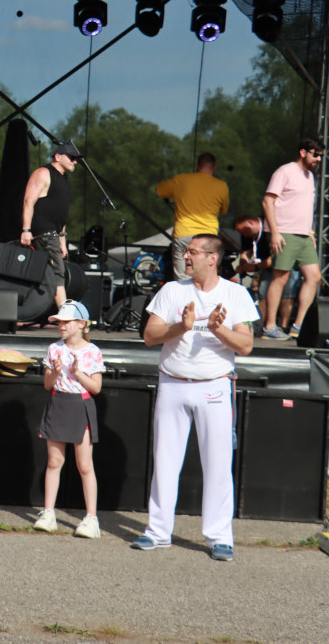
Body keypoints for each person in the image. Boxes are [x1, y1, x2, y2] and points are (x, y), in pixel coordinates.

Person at [133, 234, 258, 561]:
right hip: (172, 383)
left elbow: (245, 345)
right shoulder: (173, 290)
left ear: (212, 258)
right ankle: (157, 531)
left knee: (217, 464)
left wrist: (219, 331)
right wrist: (180, 327)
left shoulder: (235, 293)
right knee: (165, 461)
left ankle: (219, 537)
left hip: (214, 386)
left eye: (192, 253)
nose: (186, 257)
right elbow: (149, 335)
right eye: (187, 252)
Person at [32, 300, 105, 539]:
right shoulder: (55, 348)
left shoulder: (92, 351)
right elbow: (46, 384)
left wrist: (77, 373)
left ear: (81, 324)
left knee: (85, 465)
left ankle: (91, 518)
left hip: (80, 405)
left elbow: (96, 388)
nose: (61, 325)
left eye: (66, 322)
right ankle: (48, 513)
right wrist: (54, 371)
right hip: (58, 403)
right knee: (54, 461)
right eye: (59, 322)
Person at [261, 138, 324, 340]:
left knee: (313, 277)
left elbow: (307, 209)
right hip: (285, 232)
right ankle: (269, 326)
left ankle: (298, 326)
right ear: (303, 152)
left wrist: (311, 233)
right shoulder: (285, 171)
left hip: (304, 235)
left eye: (321, 155)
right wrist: (275, 232)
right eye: (315, 154)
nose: (318, 159)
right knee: (281, 277)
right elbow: (268, 201)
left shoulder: (310, 177)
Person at [20, 141, 84, 310]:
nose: (75, 162)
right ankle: (66, 316)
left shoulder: (63, 179)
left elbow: (61, 214)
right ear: (58, 156)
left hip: (54, 234)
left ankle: (49, 311)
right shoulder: (43, 173)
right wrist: (26, 230)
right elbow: (28, 201)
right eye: (71, 157)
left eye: (76, 159)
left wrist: (62, 241)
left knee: (53, 274)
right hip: (43, 232)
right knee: (57, 274)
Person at [156, 153, 230, 281]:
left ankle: (185, 301)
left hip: (184, 233)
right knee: (205, 279)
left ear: (197, 166)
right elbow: (223, 210)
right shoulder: (221, 186)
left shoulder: (181, 180)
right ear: (214, 168)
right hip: (208, 236)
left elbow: (160, 190)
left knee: (182, 280)